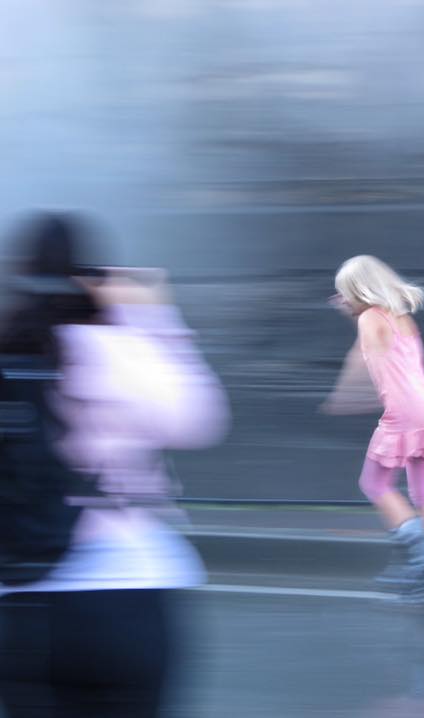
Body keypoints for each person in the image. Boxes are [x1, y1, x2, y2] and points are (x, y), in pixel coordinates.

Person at [0, 212, 229, 717]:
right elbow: (198, 419)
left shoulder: (8, 354)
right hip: (124, 593)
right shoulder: (116, 349)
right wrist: (150, 316)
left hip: (19, 609)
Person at [323, 255, 424, 603]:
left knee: (374, 482)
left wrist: (344, 397)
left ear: (357, 291)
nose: (345, 300)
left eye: (346, 293)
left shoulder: (370, 318)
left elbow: (361, 359)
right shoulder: (401, 317)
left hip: (405, 410)